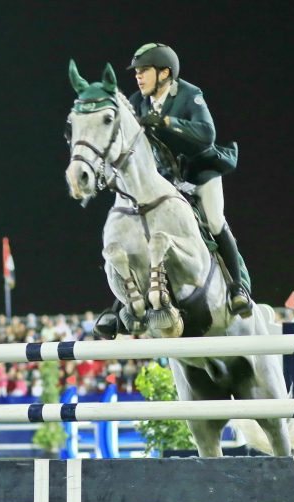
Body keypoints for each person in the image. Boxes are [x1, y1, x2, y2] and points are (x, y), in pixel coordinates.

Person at [93, 42, 251, 340]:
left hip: (199, 172)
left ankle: (237, 287)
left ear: (165, 73)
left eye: (144, 72)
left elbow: (207, 135)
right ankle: (120, 308)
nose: (138, 78)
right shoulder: (137, 102)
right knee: (140, 235)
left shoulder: (190, 94)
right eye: (136, 73)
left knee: (215, 220)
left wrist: (166, 122)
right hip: (165, 179)